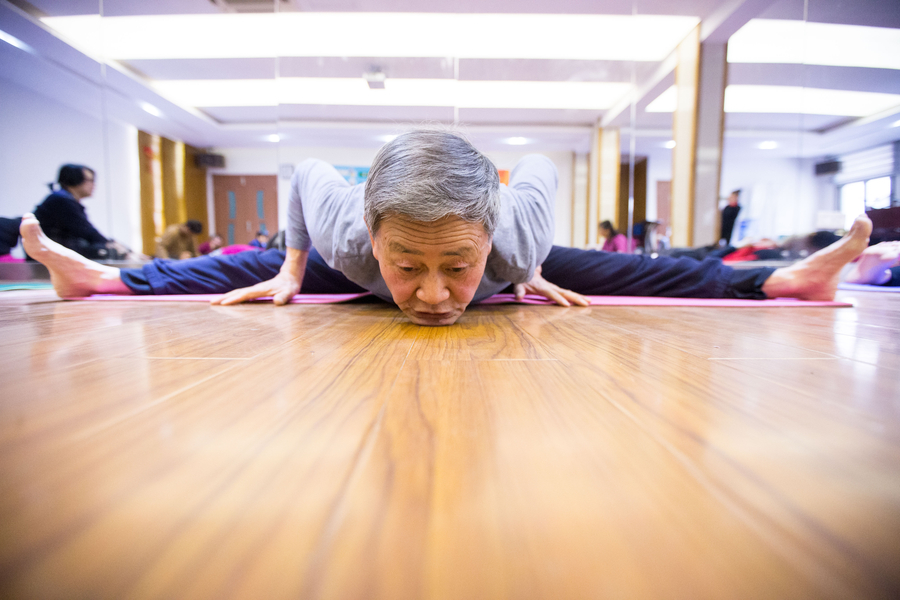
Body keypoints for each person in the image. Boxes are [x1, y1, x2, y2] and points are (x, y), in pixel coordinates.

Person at [20, 130, 873, 327]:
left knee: (618, 269)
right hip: (350, 258)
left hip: (514, 253)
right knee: (245, 267)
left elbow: (540, 163)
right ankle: (98, 277)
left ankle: (783, 279)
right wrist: (291, 267)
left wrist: (523, 268)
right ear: (373, 238)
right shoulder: (348, 235)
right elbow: (304, 169)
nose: (432, 298)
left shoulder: (515, 235)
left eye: (453, 269)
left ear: (489, 239)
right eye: (410, 268)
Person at [31, 164, 129, 260]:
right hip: (49, 257)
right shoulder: (61, 200)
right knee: (112, 252)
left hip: (56, 254)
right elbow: (87, 232)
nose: (93, 185)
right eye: (90, 180)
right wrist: (112, 245)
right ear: (74, 180)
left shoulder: (64, 199)